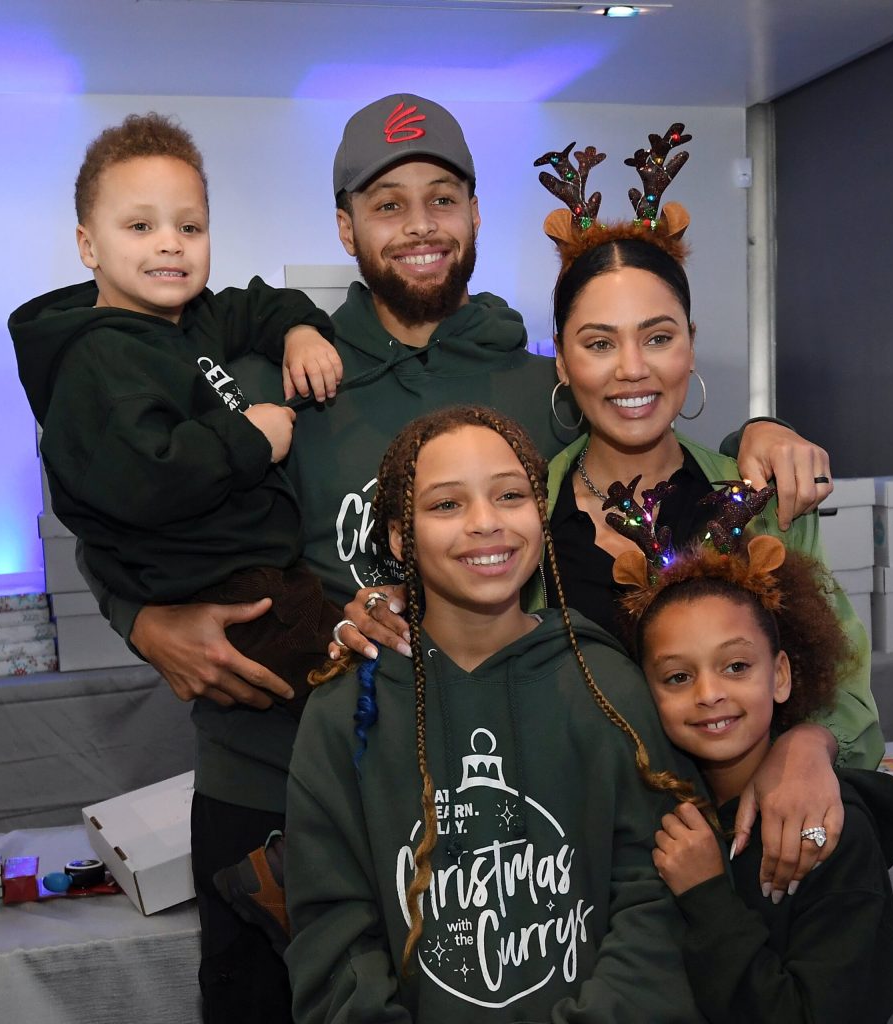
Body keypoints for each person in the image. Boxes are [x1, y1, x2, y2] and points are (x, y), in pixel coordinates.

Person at [79, 96, 836, 1021]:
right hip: (270, 775)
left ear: (476, 214)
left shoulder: (540, 386)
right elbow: (116, 483)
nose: (419, 225)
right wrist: (140, 617)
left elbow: (646, 423)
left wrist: (758, 432)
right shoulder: (284, 379)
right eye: (387, 204)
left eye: (442, 198)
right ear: (345, 227)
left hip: (491, 787)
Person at [339, 120, 884, 910]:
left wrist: (808, 742)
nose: (632, 369)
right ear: (561, 359)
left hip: (755, 872)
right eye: (599, 343)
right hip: (574, 884)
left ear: (690, 346)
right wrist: (393, 605)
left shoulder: (765, 503)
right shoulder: (524, 524)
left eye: (657, 337)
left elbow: (848, 690)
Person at [284, 405, 707, 1023]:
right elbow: (332, 929)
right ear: (401, 538)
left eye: (510, 495)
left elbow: (654, 897)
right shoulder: (347, 711)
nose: (485, 522)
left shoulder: (605, 683)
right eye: (446, 504)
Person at [10, 112, 344, 721]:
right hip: (206, 583)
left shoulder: (195, 318)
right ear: (88, 245)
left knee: (355, 663)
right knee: (351, 690)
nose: (170, 242)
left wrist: (300, 330)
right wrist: (250, 438)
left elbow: (260, 304)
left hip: (256, 565)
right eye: (141, 226)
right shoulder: (98, 360)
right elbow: (146, 478)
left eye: (190, 226)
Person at [619, 531, 893, 1023]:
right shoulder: (658, 816)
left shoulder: (829, 830)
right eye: (678, 676)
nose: (709, 693)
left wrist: (706, 895)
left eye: (736, 666)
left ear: (780, 675)